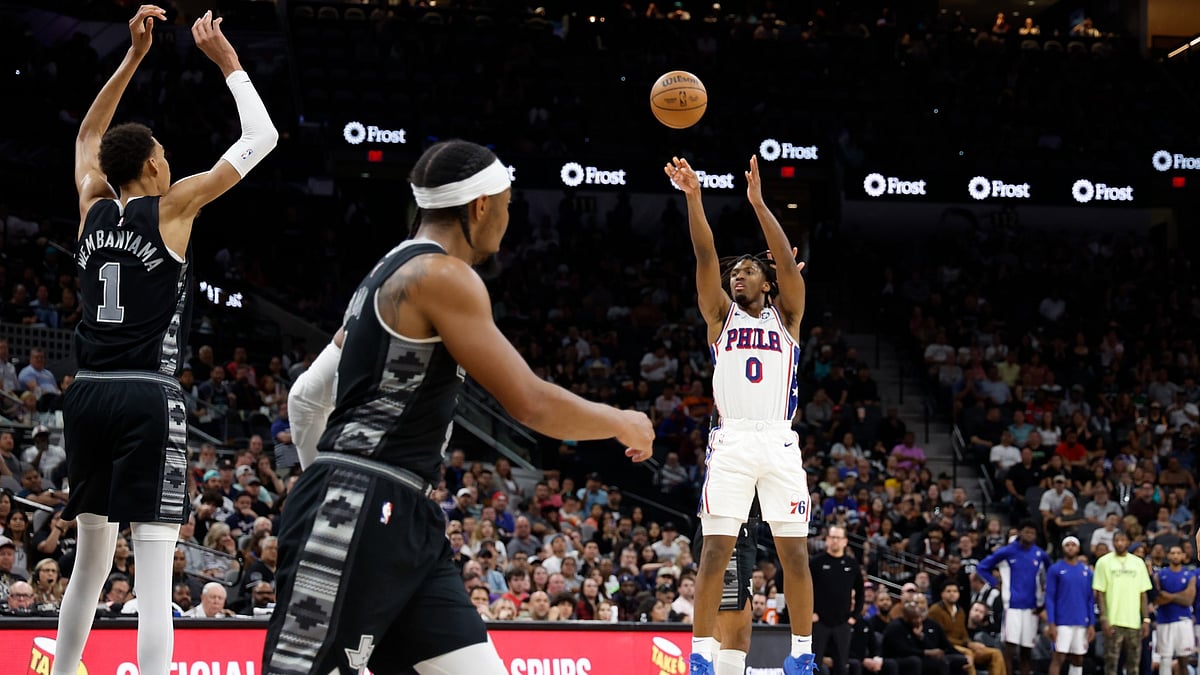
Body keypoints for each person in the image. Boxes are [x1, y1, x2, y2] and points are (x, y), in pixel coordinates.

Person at [262, 139, 654, 674]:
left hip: (406, 514)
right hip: (367, 501)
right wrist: (620, 421)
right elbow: (530, 402)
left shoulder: (383, 272)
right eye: (509, 205)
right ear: (480, 206)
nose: (510, 218)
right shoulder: (443, 276)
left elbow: (306, 395)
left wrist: (319, 479)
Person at [52, 8, 277, 675]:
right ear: (152, 164)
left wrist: (132, 57)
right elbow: (261, 136)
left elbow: (91, 132)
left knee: (89, 568)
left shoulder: (92, 201)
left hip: (86, 394)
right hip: (147, 395)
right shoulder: (174, 205)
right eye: (165, 154)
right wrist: (229, 63)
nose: (171, 160)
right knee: (153, 576)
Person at [669, 154, 812, 675]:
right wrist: (694, 198)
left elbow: (783, 261)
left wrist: (757, 203)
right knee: (715, 552)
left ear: (768, 283)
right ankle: (701, 657)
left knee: (794, 554)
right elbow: (705, 254)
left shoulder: (788, 315)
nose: (737, 276)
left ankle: (802, 655)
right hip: (730, 442)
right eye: (735, 273)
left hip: (777, 441)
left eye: (748, 270)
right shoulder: (718, 319)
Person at [976, 520, 1050, 675]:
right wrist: (995, 583)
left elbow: (1051, 574)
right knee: (1010, 648)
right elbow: (982, 567)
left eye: (1033, 533)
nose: (1029, 535)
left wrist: (1045, 595)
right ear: (1020, 533)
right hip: (1012, 605)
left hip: (1032, 608)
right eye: (1027, 531)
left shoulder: (1040, 554)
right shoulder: (1007, 551)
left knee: (1027, 649)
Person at [1093, 531, 1153, 675]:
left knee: (1134, 665)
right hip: (1113, 621)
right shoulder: (1103, 562)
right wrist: (1104, 618)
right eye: (1117, 540)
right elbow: (1100, 593)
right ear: (1113, 543)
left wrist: (1145, 619)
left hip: (1134, 622)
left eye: (1123, 540)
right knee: (1111, 664)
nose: (1119, 543)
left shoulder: (1138, 563)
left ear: (1128, 542)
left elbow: (1143, 593)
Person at [811, 525, 865, 675]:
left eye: (838, 537)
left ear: (845, 541)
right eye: (832, 537)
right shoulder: (816, 562)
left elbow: (860, 592)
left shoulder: (852, 564)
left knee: (841, 666)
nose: (835, 541)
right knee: (815, 665)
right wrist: (811, 613)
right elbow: (805, 590)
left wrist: (854, 617)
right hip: (819, 621)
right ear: (827, 539)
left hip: (843, 623)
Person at [928, 581, 1006, 675]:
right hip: (947, 647)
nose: (952, 594)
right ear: (942, 594)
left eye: (955, 591)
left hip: (963, 645)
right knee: (968, 653)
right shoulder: (935, 610)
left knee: (995, 653)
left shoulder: (960, 611)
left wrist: (971, 644)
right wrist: (968, 645)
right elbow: (940, 637)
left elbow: (964, 634)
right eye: (948, 591)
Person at [1045, 536, 1095, 675]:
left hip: (1081, 621)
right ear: (1063, 548)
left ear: (1078, 548)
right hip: (1062, 622)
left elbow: (1090, 599)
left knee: (1078, 658)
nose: (1071, 547)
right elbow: (1049, 597)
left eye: (1073, 545)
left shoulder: (1087, 572)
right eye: (1068, 545)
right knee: (1059, 657)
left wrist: (1091, 623)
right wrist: (1051, 623)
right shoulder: (1055, 569)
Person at [1152, 545, 1194, 675]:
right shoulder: (1160, 575)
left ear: (1183, 556)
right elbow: (1157, 600)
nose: (1175, 555)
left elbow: (1188, 600)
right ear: (1168, 555)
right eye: (1172, 552)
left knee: (1183, 660)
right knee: (1165, 660)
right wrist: (1180, 595)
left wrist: (1168, 596)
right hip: (1164, 621)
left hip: (1183, 621)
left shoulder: (1189, 575)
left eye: (1178, 553)